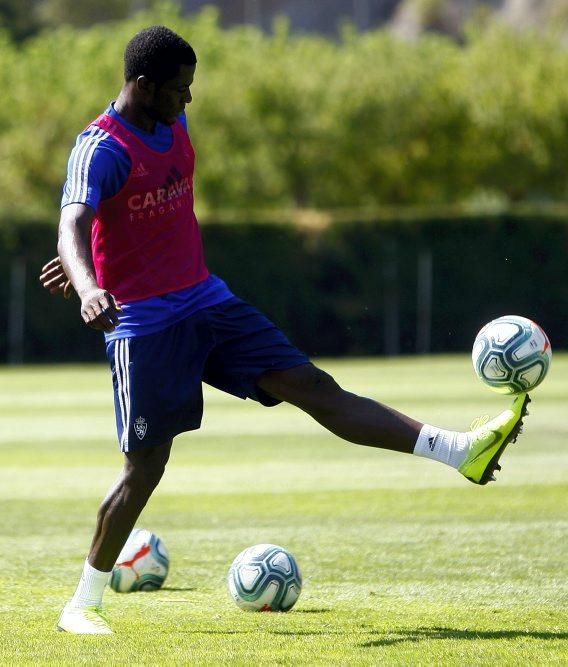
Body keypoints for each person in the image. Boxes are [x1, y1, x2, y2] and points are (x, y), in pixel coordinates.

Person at [39, 25, 530, 635]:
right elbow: (74, 221)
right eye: (180, 90)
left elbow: (123, 222)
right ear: (143, 85)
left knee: (314, 387)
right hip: (144, 325)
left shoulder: (171, 123)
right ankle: (82, 604)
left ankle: (459, 451)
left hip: (208, 302)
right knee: (146, 467)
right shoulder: (101, 148)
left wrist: (96, 254)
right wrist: (89, 284)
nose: (188, 101)